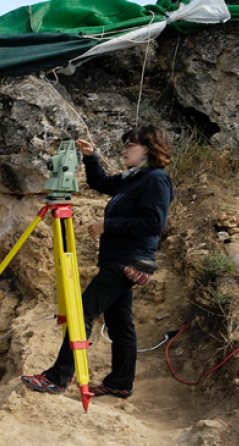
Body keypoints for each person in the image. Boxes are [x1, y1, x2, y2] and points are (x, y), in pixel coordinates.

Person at [21, 125, 173, 399]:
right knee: (120, 325)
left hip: (128, 260)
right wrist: (91, 157)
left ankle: (57, 377)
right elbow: (101, 183)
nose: (124, 149)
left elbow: (154, 223)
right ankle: (120, 384)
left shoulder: (155, 179)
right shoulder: (134, 178)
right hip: (119, 259)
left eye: (130, 145)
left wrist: (108, 225)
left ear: (147, 149)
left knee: (83, 314)